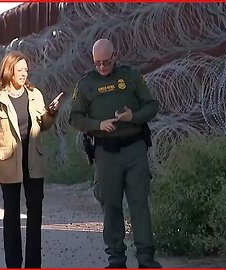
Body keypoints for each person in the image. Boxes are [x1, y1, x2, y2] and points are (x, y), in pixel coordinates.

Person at [69, 39, 161, 268]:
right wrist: (98, 124)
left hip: (134, 149)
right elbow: (75, 117)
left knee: (139, 204)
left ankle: (146, 259)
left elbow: (152, 105)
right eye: (97, 63)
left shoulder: (130, 77)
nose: (101, 67)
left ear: (115, 56)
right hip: (106, 153)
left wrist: (134, 117)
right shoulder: (86, 84)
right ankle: (116, 259)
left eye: (105, 62)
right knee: (110, 206)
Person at [0, 51, 62, 268]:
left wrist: (52, 113)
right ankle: (14, 264)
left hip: (33, 160)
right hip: (8, 161)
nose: (24, 74)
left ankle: (34, 264)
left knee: (35, 213)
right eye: (19, 70)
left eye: (26, 70)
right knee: (11, 215)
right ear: (9, 72)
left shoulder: (34, 94)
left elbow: (43, 125)